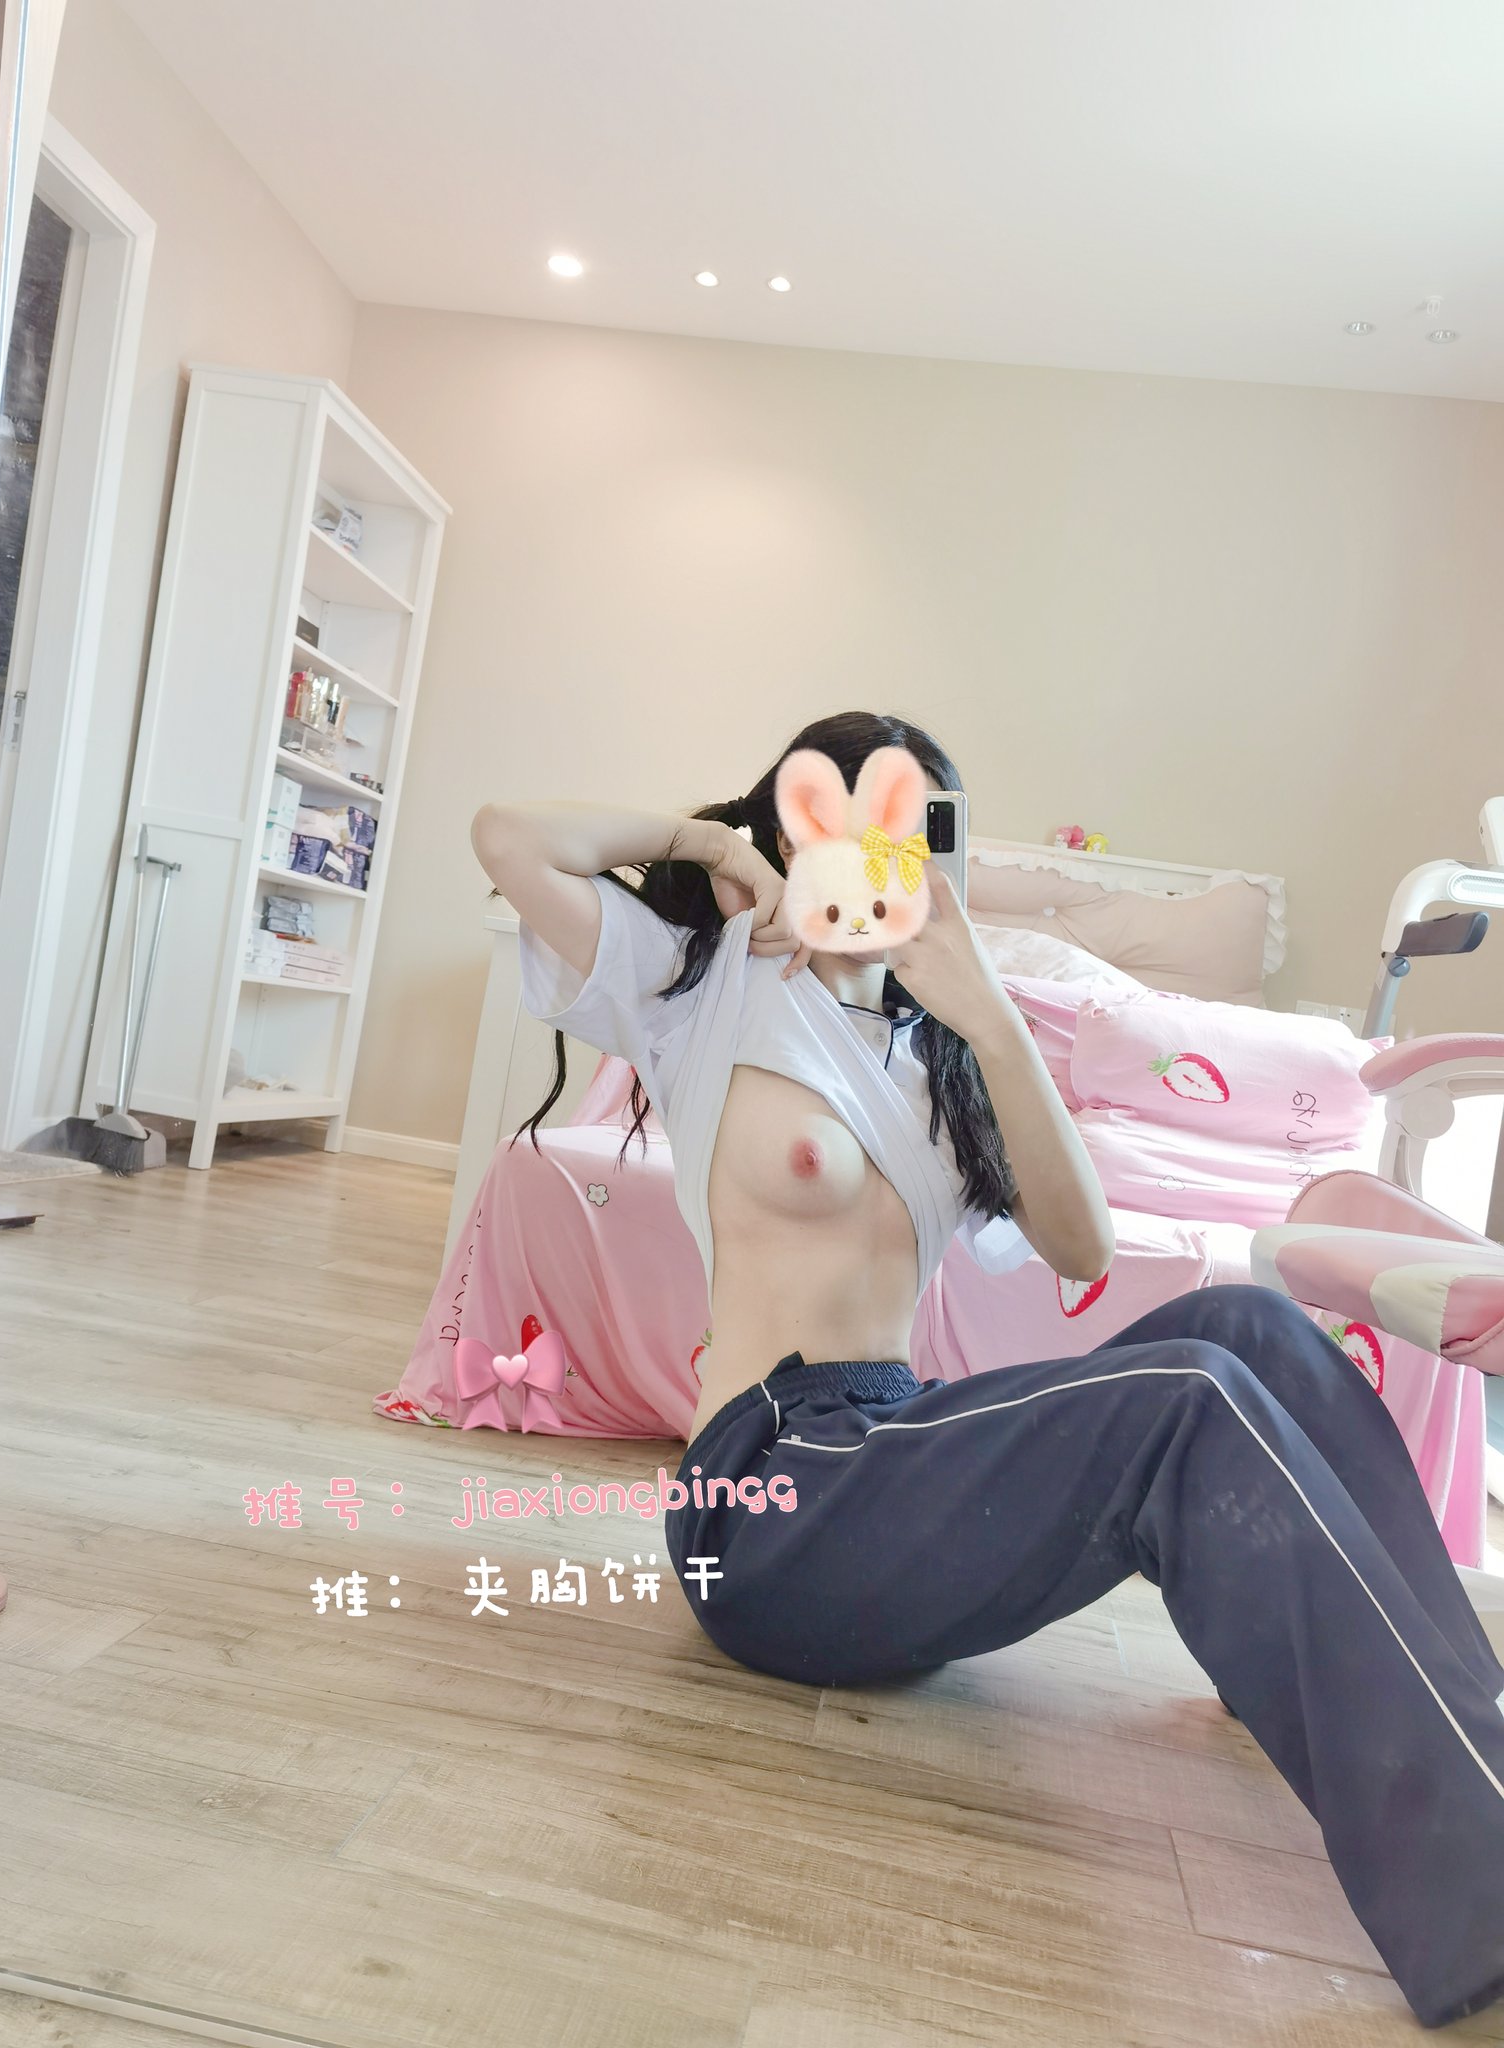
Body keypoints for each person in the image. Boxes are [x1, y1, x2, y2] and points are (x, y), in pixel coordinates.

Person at [474, 709, 1504, 2029]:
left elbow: (1082, 1245)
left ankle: (1470, 1731)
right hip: (769, 1494)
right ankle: (1481, 1892)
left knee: (1252, 1329)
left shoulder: (946, 1055)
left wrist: (992, 1019)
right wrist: (706, 846)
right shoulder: (706, 983)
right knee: (1186, 1403)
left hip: (888, 1452)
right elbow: (507, 837)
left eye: (913, 840)